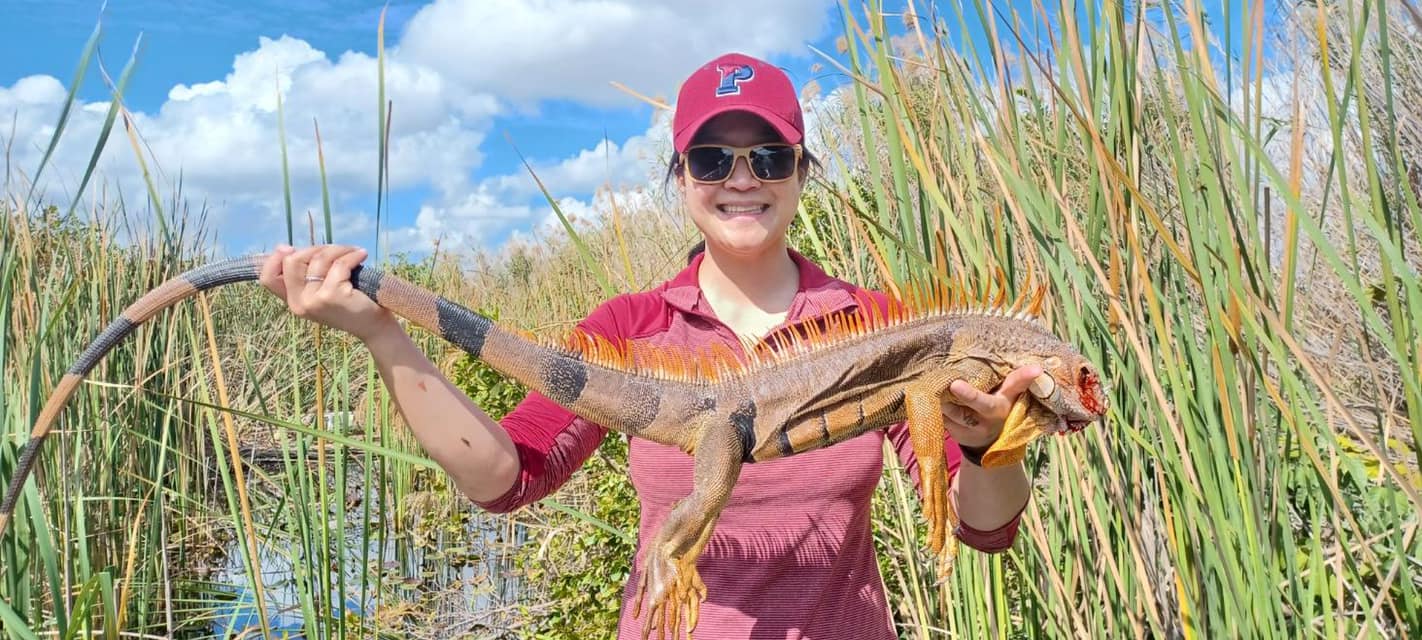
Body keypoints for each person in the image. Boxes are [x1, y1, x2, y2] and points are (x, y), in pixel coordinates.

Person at [258, 52, 1037, 640]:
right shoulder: (631, 327)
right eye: (712, 159)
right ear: (681, 176)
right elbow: (509, 477)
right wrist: (383, 333)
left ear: (803, 173)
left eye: (768, 158)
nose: (741, 179)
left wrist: (984, 447)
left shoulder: (874, 323)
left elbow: (985, 529)